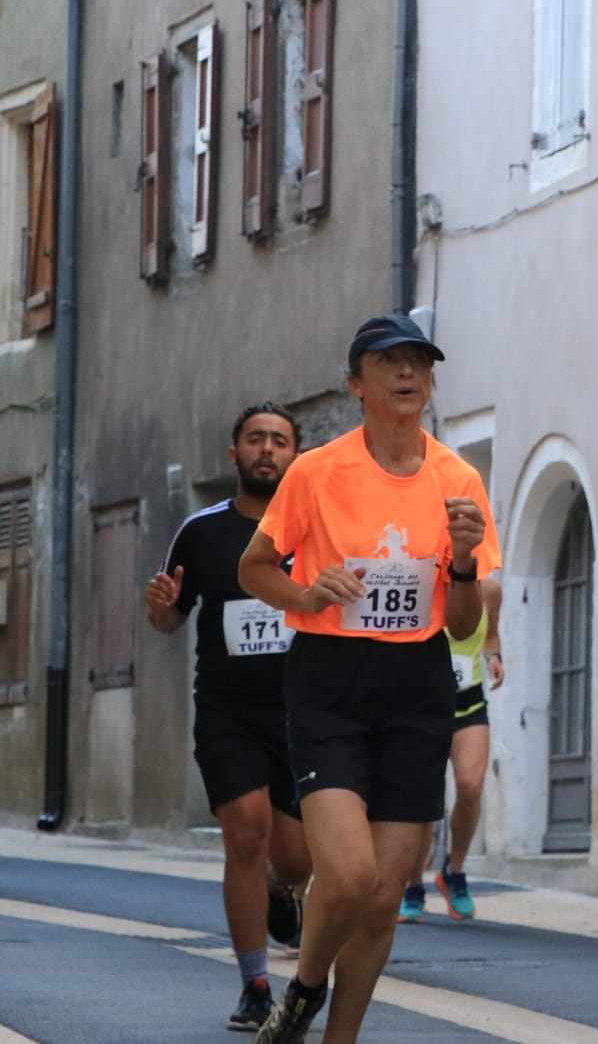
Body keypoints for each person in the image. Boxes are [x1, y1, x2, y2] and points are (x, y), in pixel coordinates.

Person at [240, 315, 500, 1044]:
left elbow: (462, 626)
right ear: (357, 383)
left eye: (419, 360)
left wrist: (463, 562)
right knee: (348, 874)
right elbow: (253, 568)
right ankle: (304, 989)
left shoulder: (458, 480)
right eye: (388, 361)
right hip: (330, 681)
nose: (407, 372)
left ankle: (337, 1037)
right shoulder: (317, 471)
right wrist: (305, 593)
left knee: (384, 899)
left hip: (418, 686)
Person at [143, 403, 314, 1031]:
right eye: (255, 440)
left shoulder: (314, 530)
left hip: (302, 713)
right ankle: (255, 985)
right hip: (227, 711)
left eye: (279, 441)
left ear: (295, 456)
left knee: (297, 860)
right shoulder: (202, 531)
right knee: (245, 831)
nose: (267, 450)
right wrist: (159, 606)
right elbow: (170, 618)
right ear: (234, 454)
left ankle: (278, 888)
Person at [401, 578, 504, 922]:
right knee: (422, 803)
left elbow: (490, 637)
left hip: (468, 703)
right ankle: (413, 887)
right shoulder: (420, 584)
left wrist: (494, 658)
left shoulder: (489, 591)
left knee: (471, 787)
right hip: (422, 706)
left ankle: (453, 872)